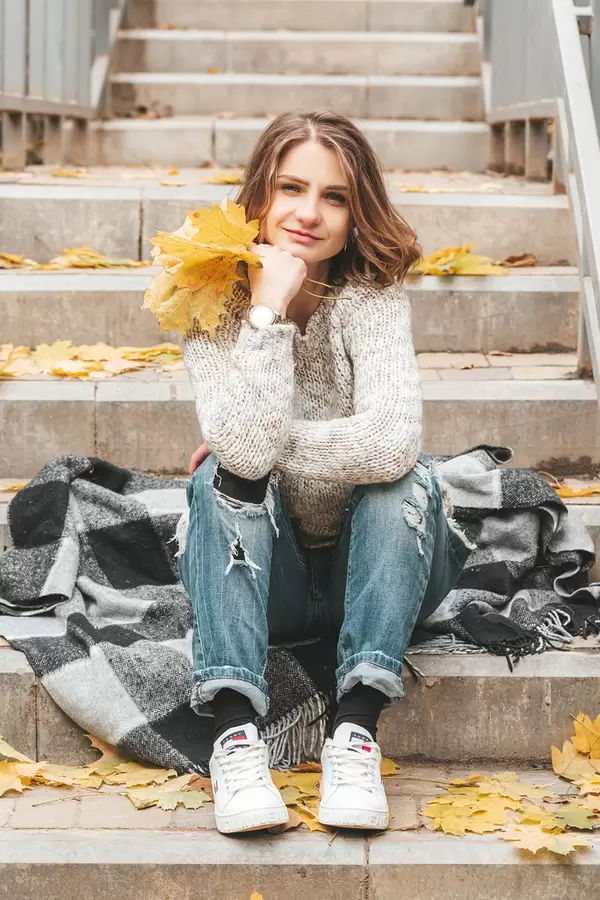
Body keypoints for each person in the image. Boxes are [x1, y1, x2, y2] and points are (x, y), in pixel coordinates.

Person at [176, 109, 473, 835]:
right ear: (260, 197)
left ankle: (358, 731)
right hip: (267, 576)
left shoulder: (370, 297)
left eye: (335, 197)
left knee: (406, 481)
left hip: (376, 568)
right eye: (291, 188)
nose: (309, 214)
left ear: (356, 209)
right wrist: (269, 311)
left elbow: (392, 442)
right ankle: (236, 741)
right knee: (217, 482)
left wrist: (258, 443)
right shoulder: (211, 303)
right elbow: (242, 464)